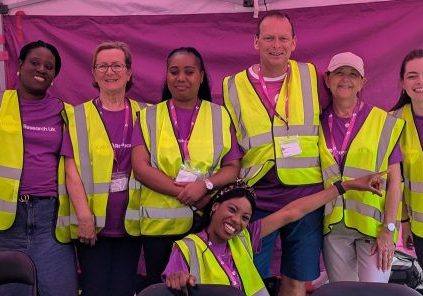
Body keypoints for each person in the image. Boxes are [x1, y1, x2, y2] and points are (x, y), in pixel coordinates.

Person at [222, 11, 322, 296]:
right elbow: (229, 141)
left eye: (282, 38)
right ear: (256, 42)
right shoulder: (232, 85)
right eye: (268, 38)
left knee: (296, 278)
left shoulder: (312, 76)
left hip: (305, 194)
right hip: (256, 197)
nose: (275, 45)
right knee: (250, 277)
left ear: (294, 42)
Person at [163, 175, 386, 296]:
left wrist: (345, 186)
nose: (237, 221)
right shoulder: (186, 247)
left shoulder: (244, 238)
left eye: (245, 217)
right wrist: (177, 280)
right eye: (232, 210)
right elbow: (173, 282)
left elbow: (293, 211)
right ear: (215, 206)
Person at [131, 47, 242, 287]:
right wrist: (187, 194)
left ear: (201, 76)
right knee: (164, 290)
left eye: (189, 72)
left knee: (203, 287)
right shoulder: (149, 116)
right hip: (160, 230)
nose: (181, 78)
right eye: (174, 72)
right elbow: (140, 168)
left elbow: (233, 167)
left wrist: (205, 185)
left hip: (205, 226)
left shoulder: (219, 115)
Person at [64, 41, 146, 296]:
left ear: (129, 72)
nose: (110, 72)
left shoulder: (146, 115)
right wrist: (84, 217)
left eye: (117, 65)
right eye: (103, 66)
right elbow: (70, 170)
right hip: (93, 226)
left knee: (124, 289)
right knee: (94, 289)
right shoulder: (78, 116)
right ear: (94, 73)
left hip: (133, 223)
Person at [0, 40, 78, 295]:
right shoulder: (2, 105)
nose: (42, 69)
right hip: (6, 223)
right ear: (20, 66)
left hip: (50, 222)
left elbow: (73, 166)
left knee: (61, 290)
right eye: (35, 63)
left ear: (55, 75)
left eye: (49, 66)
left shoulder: (65, 113)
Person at [320, 51, 404, 282]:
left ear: (362, 83)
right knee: (344, 293)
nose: (345, 79)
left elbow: (396, 183)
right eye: (339, 73)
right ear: (327, 79)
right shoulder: (315, 123)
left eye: (353, 75)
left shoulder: (382, 122)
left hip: (374, 230)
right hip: (334, 229)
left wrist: (388, 229)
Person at [391, 49, 423, 269]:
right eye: (412, 76)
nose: (420, 81)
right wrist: (404, 222)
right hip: (420, 228)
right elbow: (396, 180)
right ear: (402, 83)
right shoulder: (392, 122)